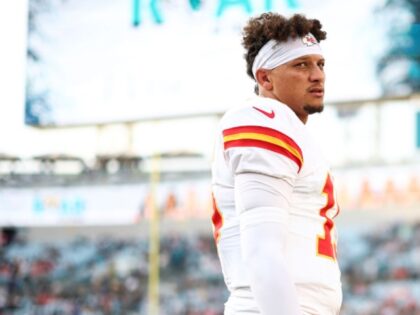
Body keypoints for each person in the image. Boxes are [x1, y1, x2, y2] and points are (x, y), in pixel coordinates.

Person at [211, 12, 342, 315]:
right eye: (301, 65)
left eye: (320, 64)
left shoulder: (291, 130)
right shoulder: (263, 118)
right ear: (265, 77)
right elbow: (263, 252)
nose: (317, 75)